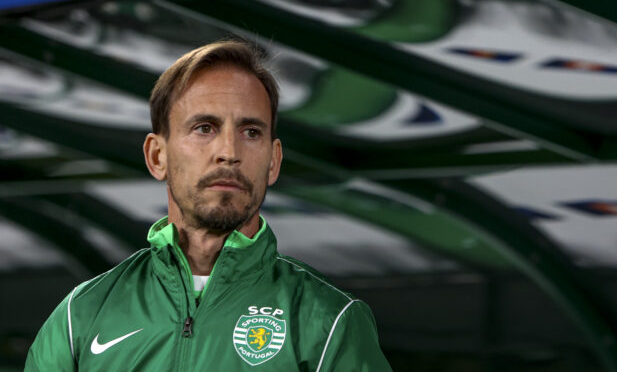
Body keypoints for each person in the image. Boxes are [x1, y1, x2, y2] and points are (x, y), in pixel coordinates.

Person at [25, 40, 392, 371]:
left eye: (251, 132)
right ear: (157, 156)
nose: (229, 153)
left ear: (273, 161)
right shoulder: (80, 316)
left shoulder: (329, 322)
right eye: (204, 128)